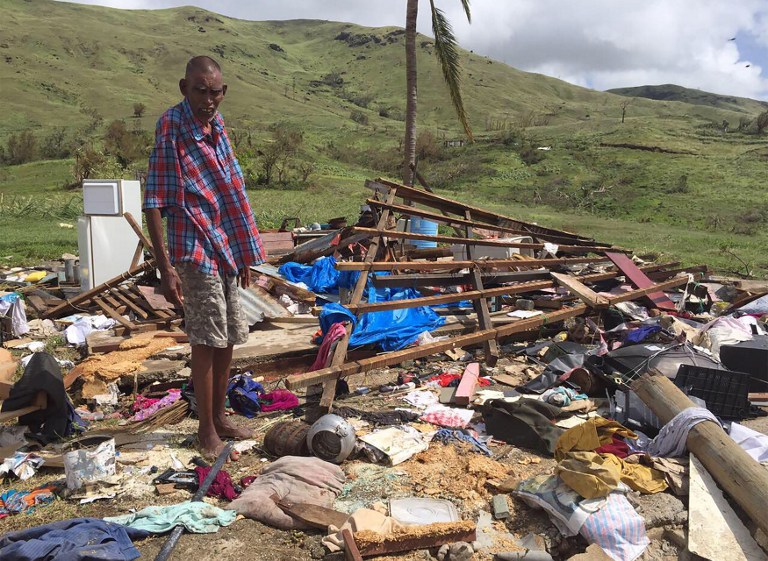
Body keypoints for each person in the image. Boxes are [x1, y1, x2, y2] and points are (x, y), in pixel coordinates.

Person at [143, 55, 265, 459]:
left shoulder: (218, 126)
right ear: (184, 88)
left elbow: (231, 190)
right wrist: (166, 269)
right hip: (193, 243)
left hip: (226, 244)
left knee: (229, 332)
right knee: (206, 337)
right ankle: (206, 431)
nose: (208, 100)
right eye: (200, 90)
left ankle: (221, 414)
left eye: (215, 92)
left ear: (223, 92)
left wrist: (244, 252)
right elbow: (155, 200)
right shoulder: (172, 125)